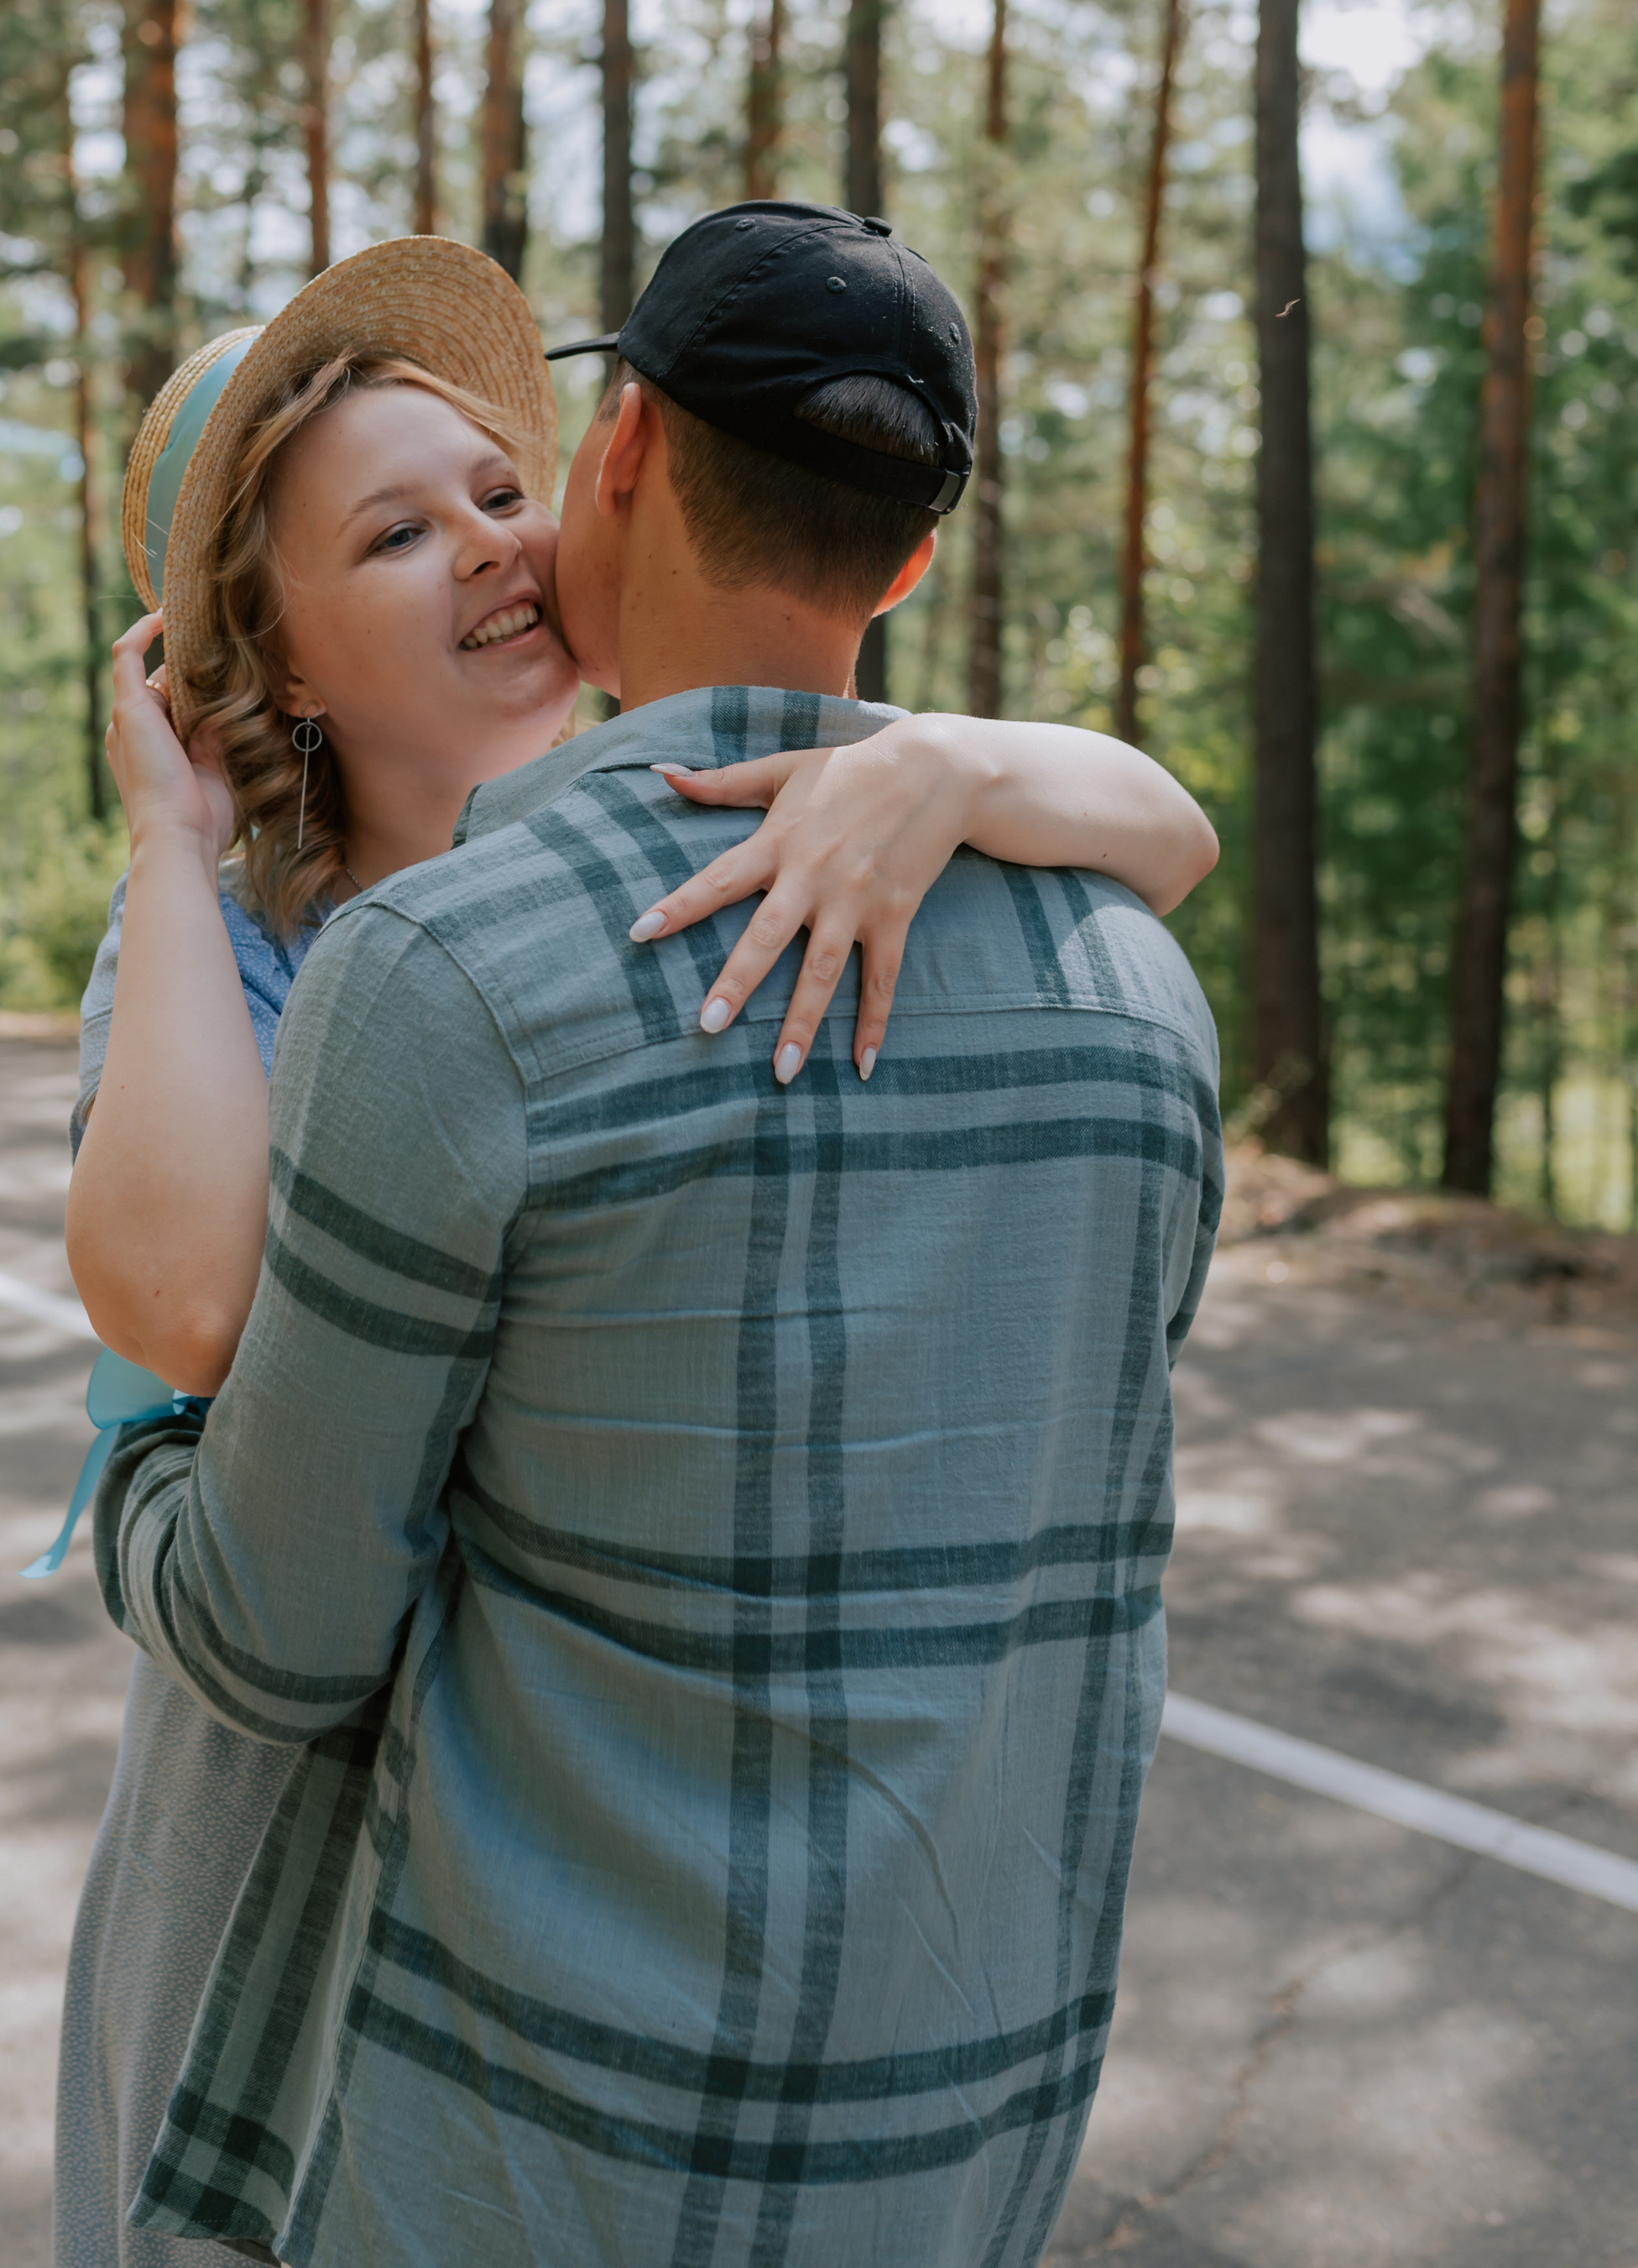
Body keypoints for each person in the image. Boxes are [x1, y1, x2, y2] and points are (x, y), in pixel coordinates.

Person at [79, 206, 1224, 2266]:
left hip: (536, 1955)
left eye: (499, 493)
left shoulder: (835, 843)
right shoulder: (267, 944)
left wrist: (950, 765)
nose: (493, 552)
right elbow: (180, 1306)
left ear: (608, 473)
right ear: (276, 666)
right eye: (396, 538)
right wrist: (170, 847)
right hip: (296, 1826)